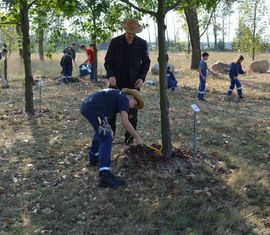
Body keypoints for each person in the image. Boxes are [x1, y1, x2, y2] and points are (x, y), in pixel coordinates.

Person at [80, 88, 144, 188]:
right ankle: (104, 175)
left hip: (88, 105)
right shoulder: (124, 99)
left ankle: (94, 157)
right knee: (106, 137)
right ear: (131, 97)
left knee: (103, 131)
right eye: (135, 104)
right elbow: (125, 122)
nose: (133, 107)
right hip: (93, 108)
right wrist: (137, 137)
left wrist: (107, 126)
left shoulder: (118, 95)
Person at [104, 19, 150, 145]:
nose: (130, 35)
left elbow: (146, 63)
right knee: (111, 114)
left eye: (132, 33)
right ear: (125, 30)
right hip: (116, 83)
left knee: (132, 115)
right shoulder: (115, 42)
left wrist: (141, 78)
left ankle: (129, 140)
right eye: (128, 32)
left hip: (133, 85)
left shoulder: (142, 44)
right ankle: (110, 138)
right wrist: (111, 75)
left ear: (136, 32)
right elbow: (108, 61)